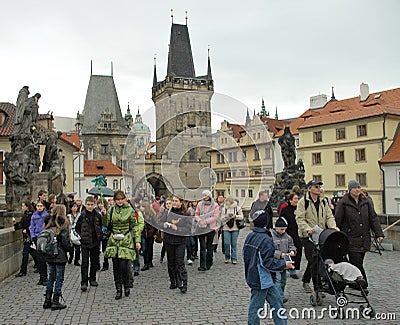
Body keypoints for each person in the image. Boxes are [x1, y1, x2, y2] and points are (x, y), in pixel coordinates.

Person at [243, 210, 292, 325]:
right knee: (256, 308)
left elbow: (245, 255)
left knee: (277, 302)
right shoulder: (266, 239)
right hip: (261, 279)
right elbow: (267, 262)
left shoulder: (250, 236)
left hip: (259, 277)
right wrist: (284, 264)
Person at [334, 180, 384, 287]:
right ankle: (363, 284)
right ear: (350, 190)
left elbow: (373, 219)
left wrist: (379, 234)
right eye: (354, 188)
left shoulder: (366, 202)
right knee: (357, 263)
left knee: (357, 262)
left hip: (364, 238)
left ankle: (354, 282)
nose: (357, 190)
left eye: (358, 187)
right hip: (350, 238)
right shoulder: (343, 202)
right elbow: (338, 219)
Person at [295, 180, 338, 297]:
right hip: (307, 236)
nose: (318, 189)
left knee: (317, 258)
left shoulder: (323, 202)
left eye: (319, 187)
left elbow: (329, 216)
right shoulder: (303, 202)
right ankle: (317, 288)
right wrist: (307, 229)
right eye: (316, 187)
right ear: (309, 189)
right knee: (314, 259)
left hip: (321, 235)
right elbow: (300, 218)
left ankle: (306, 280)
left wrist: (333, 227)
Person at [104, 190, 143, 299]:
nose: (120, 201)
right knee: (116, 266)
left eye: (122, 199)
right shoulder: (111, 210)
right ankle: (118, 289)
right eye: (118, 199)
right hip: (114, 240)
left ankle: (126, 285)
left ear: (125, 199)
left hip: (126, 239)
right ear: (115, 200)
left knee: (124, 265)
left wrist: (137, 241)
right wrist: (104, 214)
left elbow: (135, 226)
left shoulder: (130, 210)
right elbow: (107, 224)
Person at [42, 205, 73, 310]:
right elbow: (65, 240)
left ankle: (47, 300)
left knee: (51, 277)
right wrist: (70, 249)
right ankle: (55, 300)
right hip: (59, 254)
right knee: (59, 278)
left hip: (49, 254)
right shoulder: (63, 222)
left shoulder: (48, 222)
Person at [159, 195, 191, 293]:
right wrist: (163, 225)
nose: (174, 203)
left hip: (180, 241)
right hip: (169, 240)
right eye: (173, 201)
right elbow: (160, 222)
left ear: (181, 202)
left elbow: (188, 229)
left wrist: (178, 229)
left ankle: (183, 283)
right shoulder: (168, 212)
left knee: (180, 263)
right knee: (171, 262)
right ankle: (173, 281)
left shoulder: (185, 214)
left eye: (176, 201)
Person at [75, 196, 103, 292]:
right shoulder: (82, 215)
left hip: (95, 241)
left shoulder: (97, 215)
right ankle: (83, 282)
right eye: (88, 205)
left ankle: (92, 278)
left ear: (94, 205)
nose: (90, 206)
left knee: (94, 261)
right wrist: (81, 236)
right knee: (85, 262)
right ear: (85, 204)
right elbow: (76, 227)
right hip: (85, 242)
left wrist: (100, 235)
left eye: (91, 205)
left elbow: (101, 225)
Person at [271, 217, 296, 303]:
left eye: (285, 229)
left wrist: (292, 251)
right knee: (277, 280)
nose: (283, 231)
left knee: (283, 281)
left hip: (285, 262)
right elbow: (270, 250)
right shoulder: (271, 237)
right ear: (276, 228)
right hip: (275, 262)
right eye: (282, 229)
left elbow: (291, 245)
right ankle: (279, 297)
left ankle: (279, 295)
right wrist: (279, 254)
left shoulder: (287, 237)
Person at [194, 190, 220, 271]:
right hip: (201, 227)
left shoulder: (215, 205)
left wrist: (205, 221)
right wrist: (199, 220)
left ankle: (209, 262)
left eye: (205, 195)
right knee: (202, 246)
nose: (204, 197)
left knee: (209, 246)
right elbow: (196, 214)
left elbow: (215, 217)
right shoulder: (200, 204)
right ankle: (202, 265)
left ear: (209, 196)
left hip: (210, 227)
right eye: (203, 195)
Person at [279, 193, 302, 279]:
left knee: (298, 250)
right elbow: (282, 220)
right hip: (288, 233)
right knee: (290, 251)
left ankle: (295, 267)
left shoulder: (300, 209)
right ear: (290, 200)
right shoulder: (285, 210)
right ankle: (292, 269)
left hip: (298, 233)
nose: (297, 200)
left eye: (297, 199)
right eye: (295, 199)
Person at [15, 201, 37, 277]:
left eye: (23, 206)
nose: (22, 207)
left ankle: (23, 271)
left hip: (29, 236)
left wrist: (27, 229)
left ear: (27, 207)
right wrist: (16, 225)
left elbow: (33, 225)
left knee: (25, 253)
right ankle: (39, 265)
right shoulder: (25, 215)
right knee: (33, 252)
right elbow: (22, 224)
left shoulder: (31, 215)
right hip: (26, 236)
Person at [221, 195, 244, 264]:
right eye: (226, 201)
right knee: (226, 243)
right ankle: (227, 257)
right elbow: (221, 218)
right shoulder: (223, 209)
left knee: (234, 243)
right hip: (226, 228)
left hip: (235, 228)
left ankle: (234, 258)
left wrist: (235, 216)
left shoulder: (237, 208)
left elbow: (242, 217)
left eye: (228, 201)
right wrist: (226, 216)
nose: (227, 202)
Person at [30, 200, 49, 285]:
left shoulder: (46, 215)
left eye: (41, 206)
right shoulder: (34, 215)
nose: (39, 207)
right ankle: (41, 277)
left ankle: (44, 277)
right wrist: (33, 236)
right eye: (38, 206)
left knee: (43, 259)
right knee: (38, 259)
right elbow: (31, 226)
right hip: (36, 237)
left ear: (44, 207)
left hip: (44, 237)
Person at [139, 200, 157, 271]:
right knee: (144, 249)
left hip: (150, 234)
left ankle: (150, 261)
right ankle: (146, 263)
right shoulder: (140, 214)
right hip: (143, 234)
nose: (141, 208)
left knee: (150, 248)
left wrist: (155, 233)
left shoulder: (151, 215)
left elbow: (155, 224)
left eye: (142, 206)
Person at [67, 202, 81, 266]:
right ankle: (71, 257)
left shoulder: (79, 215)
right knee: (71, 248)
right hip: (70, 233)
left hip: (77, 233)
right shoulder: (68, 216)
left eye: (76, 206)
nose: (75, 208)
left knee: (78, 248)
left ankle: (76, 260)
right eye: (73, 207)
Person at [159, 197, 172, 263]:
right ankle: (162, 256)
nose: (168, 205)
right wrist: (163, 224)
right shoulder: (165, 212)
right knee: (164, 245)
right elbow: (161, 221)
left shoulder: (175, 212)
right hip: (166, 232)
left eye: (170, 203)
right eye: (167, 204)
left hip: (174, 233)